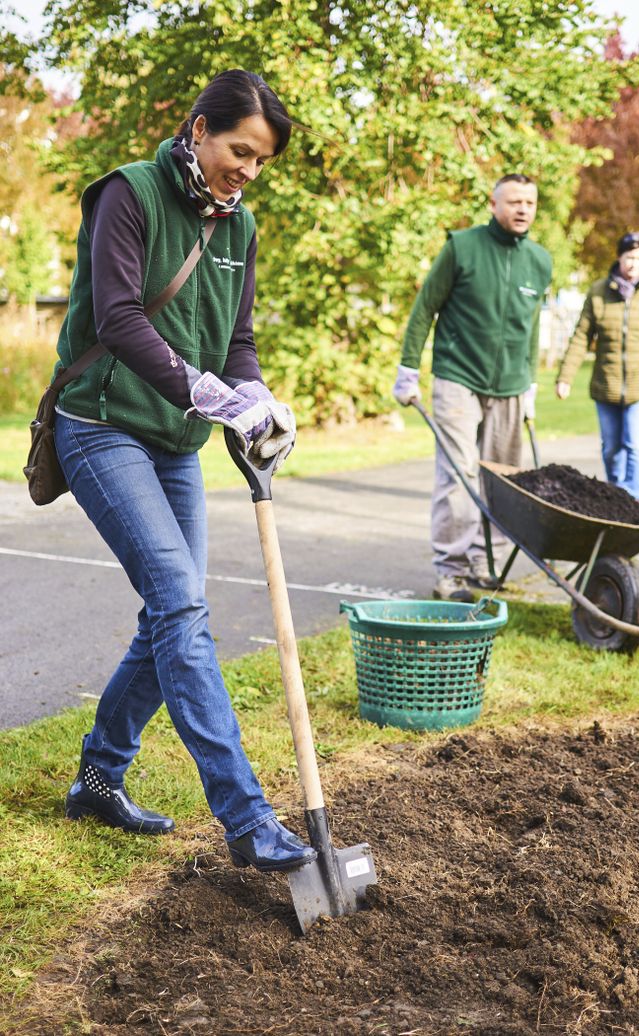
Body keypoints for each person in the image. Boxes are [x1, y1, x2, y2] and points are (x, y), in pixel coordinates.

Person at [53, 70, 317, 874]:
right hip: (101, 425)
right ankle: (247, 817)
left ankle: (101, 773)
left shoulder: (241, 228)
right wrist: (204, 391)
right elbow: (118, 316)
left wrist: (256, 396)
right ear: (199, 129)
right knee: (180, 605)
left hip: (173, 441)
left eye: (263, 160)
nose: (249, 169)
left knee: (175, 610)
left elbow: (236, 338)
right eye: (240, 149)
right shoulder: (126, 195)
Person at [393, 174, 552, 602]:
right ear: (493, 203)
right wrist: (408, 369)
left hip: (512, 386)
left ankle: (489, 561)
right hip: (458, 377)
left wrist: (531, 381)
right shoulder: (462, 247)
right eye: (514, 201)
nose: (522, 209)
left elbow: (531, 326)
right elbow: (425, 307)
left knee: (506, 479)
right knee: (458, 474)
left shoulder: (540, 261)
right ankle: (452, 569)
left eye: (530, 203)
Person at [556, 232, 639, 501]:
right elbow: (581, 336)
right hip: (607, 385)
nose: (633, 264)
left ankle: (632, 500)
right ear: (619, 258)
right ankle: (616, 494)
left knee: (636, 444)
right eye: (629, 258)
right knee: (611, 448)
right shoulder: (598, 292)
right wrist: (564, 378)